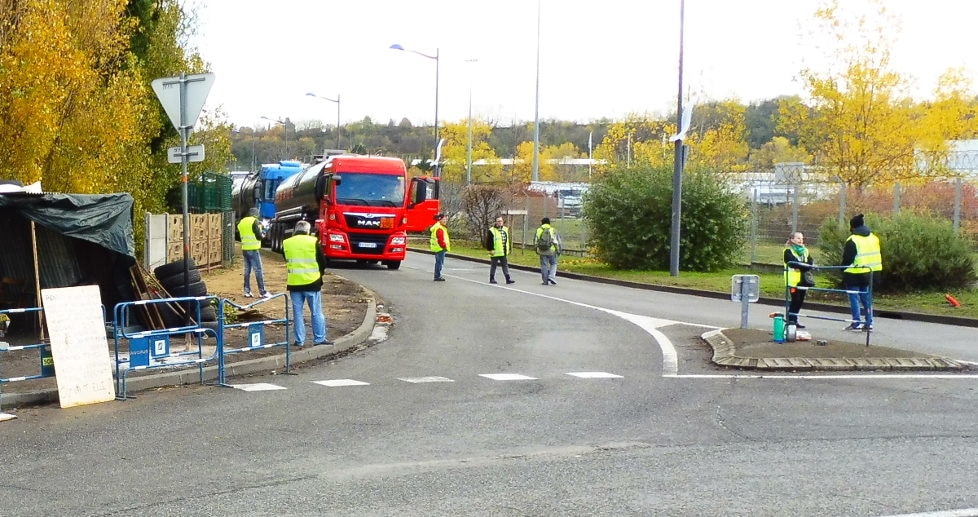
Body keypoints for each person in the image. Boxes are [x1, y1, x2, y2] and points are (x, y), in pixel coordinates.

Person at [282, 220, 331, 347]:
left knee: (297, 313)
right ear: (308, 230)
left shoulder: (287, 243)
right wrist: (319, 275)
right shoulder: (313, 241)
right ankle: (319, 338)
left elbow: (286, 258)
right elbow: (323, 262)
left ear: (295, 230)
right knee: (316, 312)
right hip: (312, 282)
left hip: (294, 283)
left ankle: (299, 340)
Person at [841, 213, 882, 332]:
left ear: (852, 227)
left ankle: (856, 322)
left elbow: (848, 259)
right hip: (870, 272)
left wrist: (841, 269)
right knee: (866, 297)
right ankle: (869, 322)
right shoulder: (874, 237)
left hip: (854, 273)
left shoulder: (853, 239)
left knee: (854, 297)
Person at [783, 231, 815, 329]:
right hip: (793, 281)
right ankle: (790, 320)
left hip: (803, 280)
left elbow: (810, 262)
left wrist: (802, 266)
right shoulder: (788, 251)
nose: (800, 240)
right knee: (795, 300)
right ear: (792, 240)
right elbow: (793, 263)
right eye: (798, 238)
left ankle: (795, 320)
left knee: (800, 301)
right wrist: (804, 266)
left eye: (801, 238)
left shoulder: (805, 250)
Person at [237, 207, 270, 298]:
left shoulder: (242, 222)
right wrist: (264, 231)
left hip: (245, 248)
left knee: (247, 270)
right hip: (253, 249)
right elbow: (259, 236)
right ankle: (262, 292)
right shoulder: (254, 221)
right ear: (256, 214)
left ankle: (247, 291)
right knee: (258, 270)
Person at [485, 215, 516, 285]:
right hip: (495, 252)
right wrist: (490, 250)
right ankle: (492, 278)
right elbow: (489, 241)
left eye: (501, 221)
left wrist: (508, 249)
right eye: (498, 221)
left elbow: (507, 240)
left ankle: (508, 278)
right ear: (496, 222)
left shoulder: (505, 229)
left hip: (503, 251)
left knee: (505, 265)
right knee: (493, 265)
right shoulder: (492, 230)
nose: (500, 223)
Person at [535, 217, 561, 285]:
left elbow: (535, 241)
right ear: (549, 223)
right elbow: (556, 242)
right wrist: (558, 250)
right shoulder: (553, 230)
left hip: (542, 250)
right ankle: (551, 277)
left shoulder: (538, 230)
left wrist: (536, 249)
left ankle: (545, 281)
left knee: (544, 265)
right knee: (553, 263)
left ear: (542, 223)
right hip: (551, 250)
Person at [429, 213, 450, 281]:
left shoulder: (438, 226)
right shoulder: (439, 228)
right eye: (444, 219)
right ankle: (437, 276)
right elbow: (440, 239)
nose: (445, 221)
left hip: (438, 247)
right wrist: (444, 246)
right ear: (440, 219)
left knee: (439, 262)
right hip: (440, 248)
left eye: (446, 219)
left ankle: (437, 275)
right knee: (439, 262)